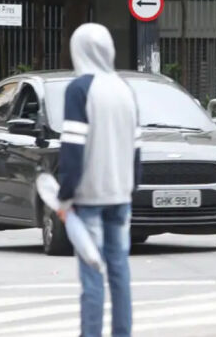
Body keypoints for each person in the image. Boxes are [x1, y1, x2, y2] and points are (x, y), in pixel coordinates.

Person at [56, 23, 140, 337]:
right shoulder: (125, 89)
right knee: (120, 272)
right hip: (121, 195)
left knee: (92, 274)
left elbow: (73, 149)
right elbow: (136, 149)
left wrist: (65, 195)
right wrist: (131, 187)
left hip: (89, 196)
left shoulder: (79, 89)